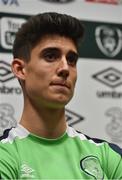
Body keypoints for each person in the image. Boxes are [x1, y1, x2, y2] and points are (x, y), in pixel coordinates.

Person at [0, 12, 122, 179]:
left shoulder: (108, 156)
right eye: (51, 56)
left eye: (71, 59)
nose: (65, 68)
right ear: (21, 69)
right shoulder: (4, 155)